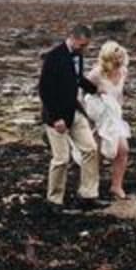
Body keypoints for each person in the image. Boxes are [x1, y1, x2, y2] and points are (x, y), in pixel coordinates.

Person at [37, 23, 100, 208]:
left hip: (74, 111)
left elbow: (77, 78)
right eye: (82, 45)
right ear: (72, 38)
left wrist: (96, 90)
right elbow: (44, 90)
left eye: (86, 45)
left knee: (90, 149)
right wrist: (56, 118)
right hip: (55, 116)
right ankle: (54, 200)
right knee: (62, 159)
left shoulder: (78, 55)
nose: (84, 48)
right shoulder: (53, 57)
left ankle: (88, 194)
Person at [83, 41, 132, 199]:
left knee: (123, 149)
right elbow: (84, 92)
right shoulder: (96, 73)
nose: (119, 61)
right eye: (116, 58)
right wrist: (88, 118)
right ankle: (91, 186)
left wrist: (119, 112)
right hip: (98, 115)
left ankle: (116, 186)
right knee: (96, 153)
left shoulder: (123, 71)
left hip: (113, 115)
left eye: (121, 57)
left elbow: (119, 94)